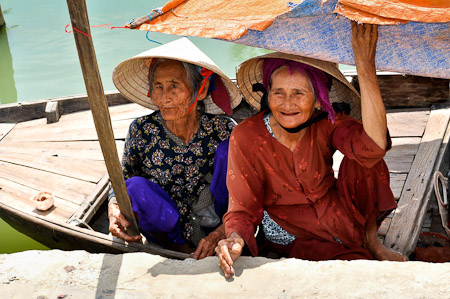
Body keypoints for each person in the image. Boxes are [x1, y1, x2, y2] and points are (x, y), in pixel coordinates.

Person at [216, 23, 407, 278]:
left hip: (338, 215)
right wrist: (235, 239)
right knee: (358, 268)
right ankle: (360, 250)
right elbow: (242, 207)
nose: (287, 104)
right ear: (267, 94)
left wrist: (365, 67)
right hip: (292, 231)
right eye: (278, 93)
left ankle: (371, 239)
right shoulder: (246, 136)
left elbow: (374, 146)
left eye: (299, 94)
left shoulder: (326, 121)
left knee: (365, 158)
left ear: (318, 99)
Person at [108, 38, 241, 259]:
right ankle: (181, 250)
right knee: (134, 186)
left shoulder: (223, 129)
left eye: (174, 87)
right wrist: (113, 206)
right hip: (167, 230)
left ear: (201, 89)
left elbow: (244, 189)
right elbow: (122, 181)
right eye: (158, 87)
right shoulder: (142, 130)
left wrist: (221, 232)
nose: (164, 97)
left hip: (216, 221)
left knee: (231, 150)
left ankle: (217, 235)